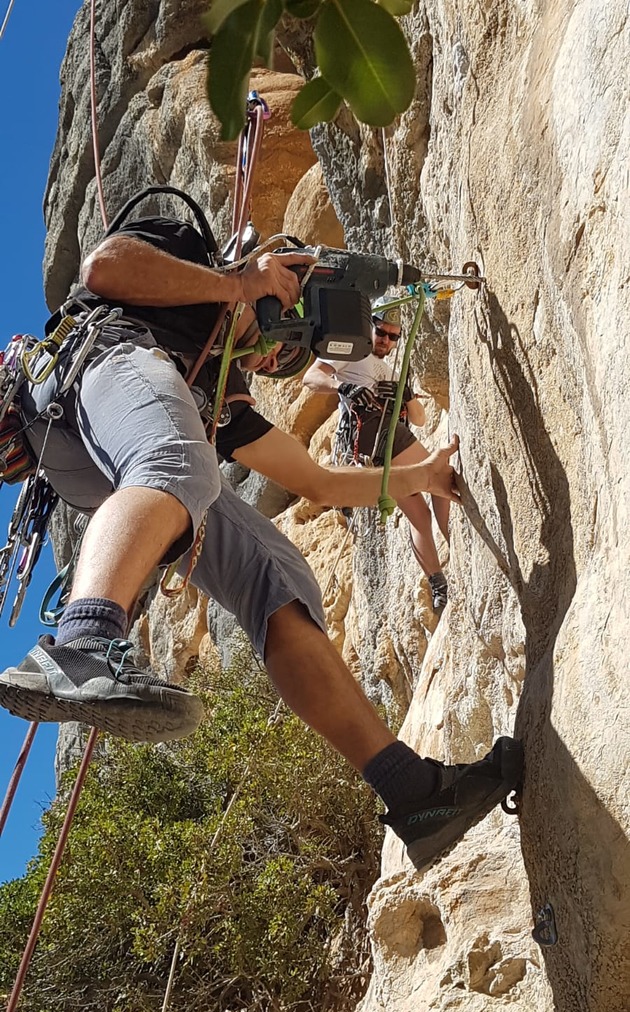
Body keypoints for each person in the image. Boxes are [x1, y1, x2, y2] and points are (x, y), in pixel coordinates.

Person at [0, 213, 522, 873]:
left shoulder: (220, 392)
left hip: (95, 448)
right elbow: (104, 267)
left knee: (277, 579)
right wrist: (236, 282)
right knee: (177, 463)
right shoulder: (194, 260)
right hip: (98, 361)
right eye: (274, 335)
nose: (268, 358)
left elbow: (317, 483)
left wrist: (423, 477)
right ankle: (81, 646)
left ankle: (412, 792)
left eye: (282, 360)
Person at [302, 301, 449, 612]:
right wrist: (345, 387)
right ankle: (453, 538)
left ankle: (437, 582)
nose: (386, 341)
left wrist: (405, 396)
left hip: (387, 436)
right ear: (370, 327)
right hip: (371, 432)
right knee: (441, 477)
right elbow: (312, 378)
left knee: (420, 515)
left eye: (393, 337)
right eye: (381, 332)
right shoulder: (350, 350)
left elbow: (420, 419)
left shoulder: (394, 371)